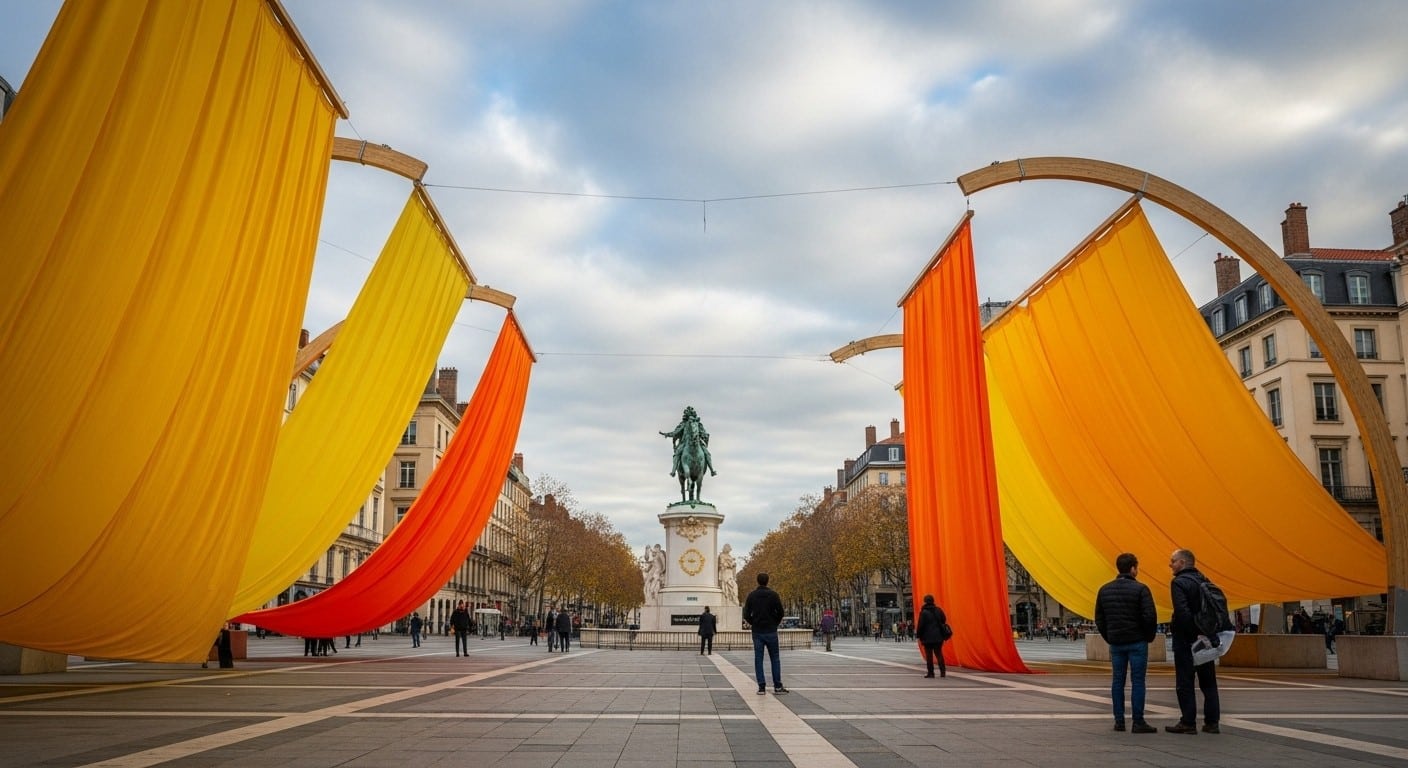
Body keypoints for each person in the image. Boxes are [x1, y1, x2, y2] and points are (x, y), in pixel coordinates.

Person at [1094, 553, 1158, 734]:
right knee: (1138, 681)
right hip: (1137, 641)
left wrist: (1109, 636)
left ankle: (1119, 721)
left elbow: (1099, 617)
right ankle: (1138, 721)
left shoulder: (1104, 590)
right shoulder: (1141, 589)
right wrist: (1148, 636)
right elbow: (1149, 616)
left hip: (1117, 643)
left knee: (1117, 681)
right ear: (1133, 568)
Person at [1166, 548, 1221, 734]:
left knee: (1185, 681)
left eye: (1173, 561)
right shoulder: (1204, 580)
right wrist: (1205, 633)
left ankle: (1188, 722)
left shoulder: (1179, 583)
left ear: (1182, 562)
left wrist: (1193, 633)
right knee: (1208, 682)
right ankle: (1212, 722)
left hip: (1187, 640)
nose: (1170, 565)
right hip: (1206, 638)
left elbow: (1182, 613)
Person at [742, 572, 787, 694]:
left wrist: (753, 622)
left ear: (758, 581)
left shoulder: (752, 596)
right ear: (768, 581)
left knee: (758, 659)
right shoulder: (773, 595)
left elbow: (746, 614)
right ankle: (777, 686)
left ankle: (761, 687)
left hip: (757, 631)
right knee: (775, 659)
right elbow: (781, 612)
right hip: (771, 631)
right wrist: (774, 623)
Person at [660, 406, 717, 477]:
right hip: (685, 443)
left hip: (697, 443)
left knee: (707, 453)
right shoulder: (683, 424)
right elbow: (675, 432)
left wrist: (705, 435)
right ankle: (673, 471)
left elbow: (703, 432)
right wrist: (666, 434)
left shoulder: (697, 424)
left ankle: (712, 470)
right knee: (677, 454)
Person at [916, 595, 948, 678]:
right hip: (938, 636)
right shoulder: (938, 610)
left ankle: (931, 673)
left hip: (927, 637)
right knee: (939, 654)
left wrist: (918, 635)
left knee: (929, 655)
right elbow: (944, 619)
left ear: (925, 601)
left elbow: (921, 625)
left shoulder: (924, 612)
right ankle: (943, 672)